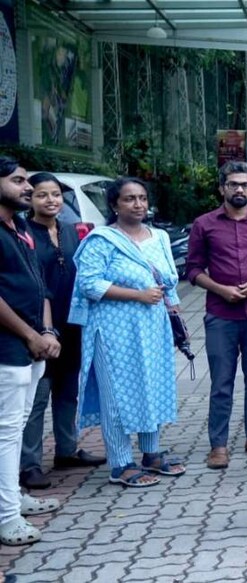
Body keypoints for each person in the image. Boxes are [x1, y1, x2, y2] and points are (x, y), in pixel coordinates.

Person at [71, 177, 184, 489]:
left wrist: (174, 312)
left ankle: (151, 453)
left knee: (152, 386)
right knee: (116, 396)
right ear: (114, 205)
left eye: (142, 198)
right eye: (129, 199)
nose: (138, 205)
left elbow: (168, 281)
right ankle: (120, 463)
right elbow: (89, 284)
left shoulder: (159, 236)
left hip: (152, 327)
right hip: (112, 330)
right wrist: (138, 295)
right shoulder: (102, 240)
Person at [186, 161, 247, 470]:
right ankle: (218, 445)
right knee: (221, 382)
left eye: (244, 184)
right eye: (233, 184)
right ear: (222, 188)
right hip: (220, 314)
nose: (239, 189)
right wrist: (219, 289)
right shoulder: (204, 224)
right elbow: (192, 269)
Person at [20, 173, 106, 493]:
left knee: (69, 391)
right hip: (37, 328)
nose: (51, 201)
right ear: (30, 199)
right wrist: (40, 329)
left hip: (73, 326)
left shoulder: (71, 232)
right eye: (42, 195)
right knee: (38, 398)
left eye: (56, 194)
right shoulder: (24, 233)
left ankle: (66, 451)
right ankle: (28, 465)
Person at [0, 157, 61, 546]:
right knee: (5, 434)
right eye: (18, 180)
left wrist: (47, 330)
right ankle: (6, 518)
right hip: (8, 348)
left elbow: (38, 283)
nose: (27, 187)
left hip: (33, 345)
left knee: (16, 428)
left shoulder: (19, 226)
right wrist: (30, 335)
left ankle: (11, 498)